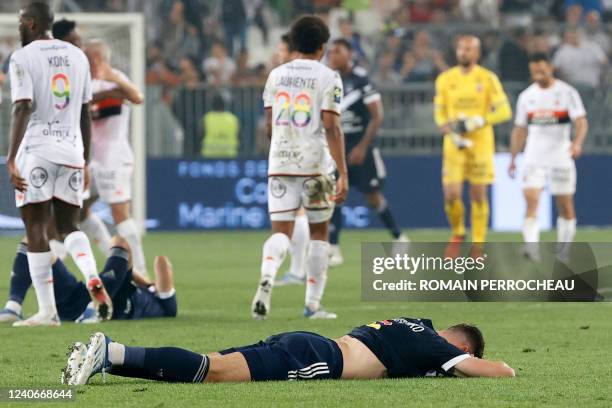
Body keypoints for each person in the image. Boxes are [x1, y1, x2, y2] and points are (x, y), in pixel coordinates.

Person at [6, 2, 112, 326]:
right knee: (69, 227)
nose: (19, 26)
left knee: (35, 227)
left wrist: (11, 158)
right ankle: (92, 274)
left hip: (37, 150)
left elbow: (23, 107)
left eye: (22, 21)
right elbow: (84, 113)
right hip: (71, 152)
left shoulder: (22, 57)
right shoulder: (77, 57)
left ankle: (47, 311)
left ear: (33, 23)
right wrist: (85, 160)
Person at [62, 317, 515, 385]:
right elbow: (496, 372)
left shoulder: (403, 325)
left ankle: (111, 358)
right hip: (318, 359)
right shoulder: (436, 344)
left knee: (211, 367)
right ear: (460, 345)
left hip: (307, 340)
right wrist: (501, 368)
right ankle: (111, 352)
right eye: (464, 354)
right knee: (212, 372)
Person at [251, 15, 349, 320]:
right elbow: (331, 126)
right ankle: (312, 305)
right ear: (322, 46)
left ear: (293, 43)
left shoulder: (275, 75)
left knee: (281, 231)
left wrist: (280, 147)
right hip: (315, 165)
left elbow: (268, 125)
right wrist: (342, 171)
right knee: (320, 232)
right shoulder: (328, 77)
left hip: (280, 161)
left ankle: (267, 275)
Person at [327, 39, 408, 267]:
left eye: (338, 51)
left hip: (362, 149)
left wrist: (363, 147)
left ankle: (399, 238)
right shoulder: (329, 81)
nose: (333, 55)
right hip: (338, 150)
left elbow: (377, 115)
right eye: (331, 52)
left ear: (349, 54)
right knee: (335, 196)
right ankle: (334, 249)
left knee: (373, 197)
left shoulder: (361, 81)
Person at [433, 35, 511, 255]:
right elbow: (439, 111)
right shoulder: (445, 79)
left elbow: (505, 111)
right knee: (451, 195)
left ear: (477, 53)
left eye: (468, 49)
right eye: (460, 49)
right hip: (455, 144)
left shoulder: (487, 79)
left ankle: (478, 244)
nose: (463, 53)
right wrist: (445, 127)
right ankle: (458, 232)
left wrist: (482, 120)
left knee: (478, 195)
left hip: (480, 144)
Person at [508, 53, 588, 262]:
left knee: (565, 206)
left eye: (541, 69)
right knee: (531, 201)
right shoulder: (527, 96)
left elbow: (581, 121)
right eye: (534, 70)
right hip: (533, 158)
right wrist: (513, 157)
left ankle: (564, 252)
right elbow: (519, 129)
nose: (538, 74)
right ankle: (531, 248)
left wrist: (577, 143)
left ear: (551, 68)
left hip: (561, 157)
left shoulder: (567, 92)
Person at [0, 236, 177, 324]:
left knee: (120, 243)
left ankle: (13, 305)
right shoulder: (151, 296)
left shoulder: (167, 309)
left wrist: (147, 283)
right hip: (84, 299)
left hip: (117, 304)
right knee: (32, 241)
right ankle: (94, 305)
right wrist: (146, 283)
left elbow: (162, 262)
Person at [272, 33, 311, 287]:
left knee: (298, 210)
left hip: (299, 147)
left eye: (282, 48)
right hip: (296, 147)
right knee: (299, 210)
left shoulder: (295, 78)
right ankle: (298, 270)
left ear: (294, 52)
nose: (278, 52)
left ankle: (298, 271)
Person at [201, 93, 240, 158]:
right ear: (224, 105)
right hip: (230, 155)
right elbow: (239, 135)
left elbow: (200, 135)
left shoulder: (206, 118)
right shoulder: (233, 119)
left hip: (210, 155)